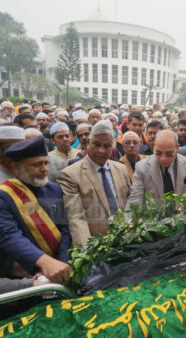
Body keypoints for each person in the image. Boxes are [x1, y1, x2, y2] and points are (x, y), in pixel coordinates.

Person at [0, 135, 72, 283]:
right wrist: (42, 264)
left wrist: (62, 262)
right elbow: (10, 236)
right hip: (30, 274)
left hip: (61, 268)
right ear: (16, 167)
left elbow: (65, 228)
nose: (44, 169)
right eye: (37, 164)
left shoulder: (54, 189)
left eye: (46, 163)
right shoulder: (5, 196)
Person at [57, 120, 131, 246]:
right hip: (98, 246)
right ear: (88, 143)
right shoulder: (70, 175)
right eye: (96, 144)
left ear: (112, 147)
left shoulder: (121, 169)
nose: (101, 151)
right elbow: (76, 218)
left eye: (106, 146)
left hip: (128, 241)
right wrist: (89, 255)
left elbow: (131, 205)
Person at [126, 130, 186, 208]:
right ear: (154, 146)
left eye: (169, 154)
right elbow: (135, 200)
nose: (163, 158)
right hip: (153, 218)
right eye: (158, 153)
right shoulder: (142, 167)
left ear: (177, 148)